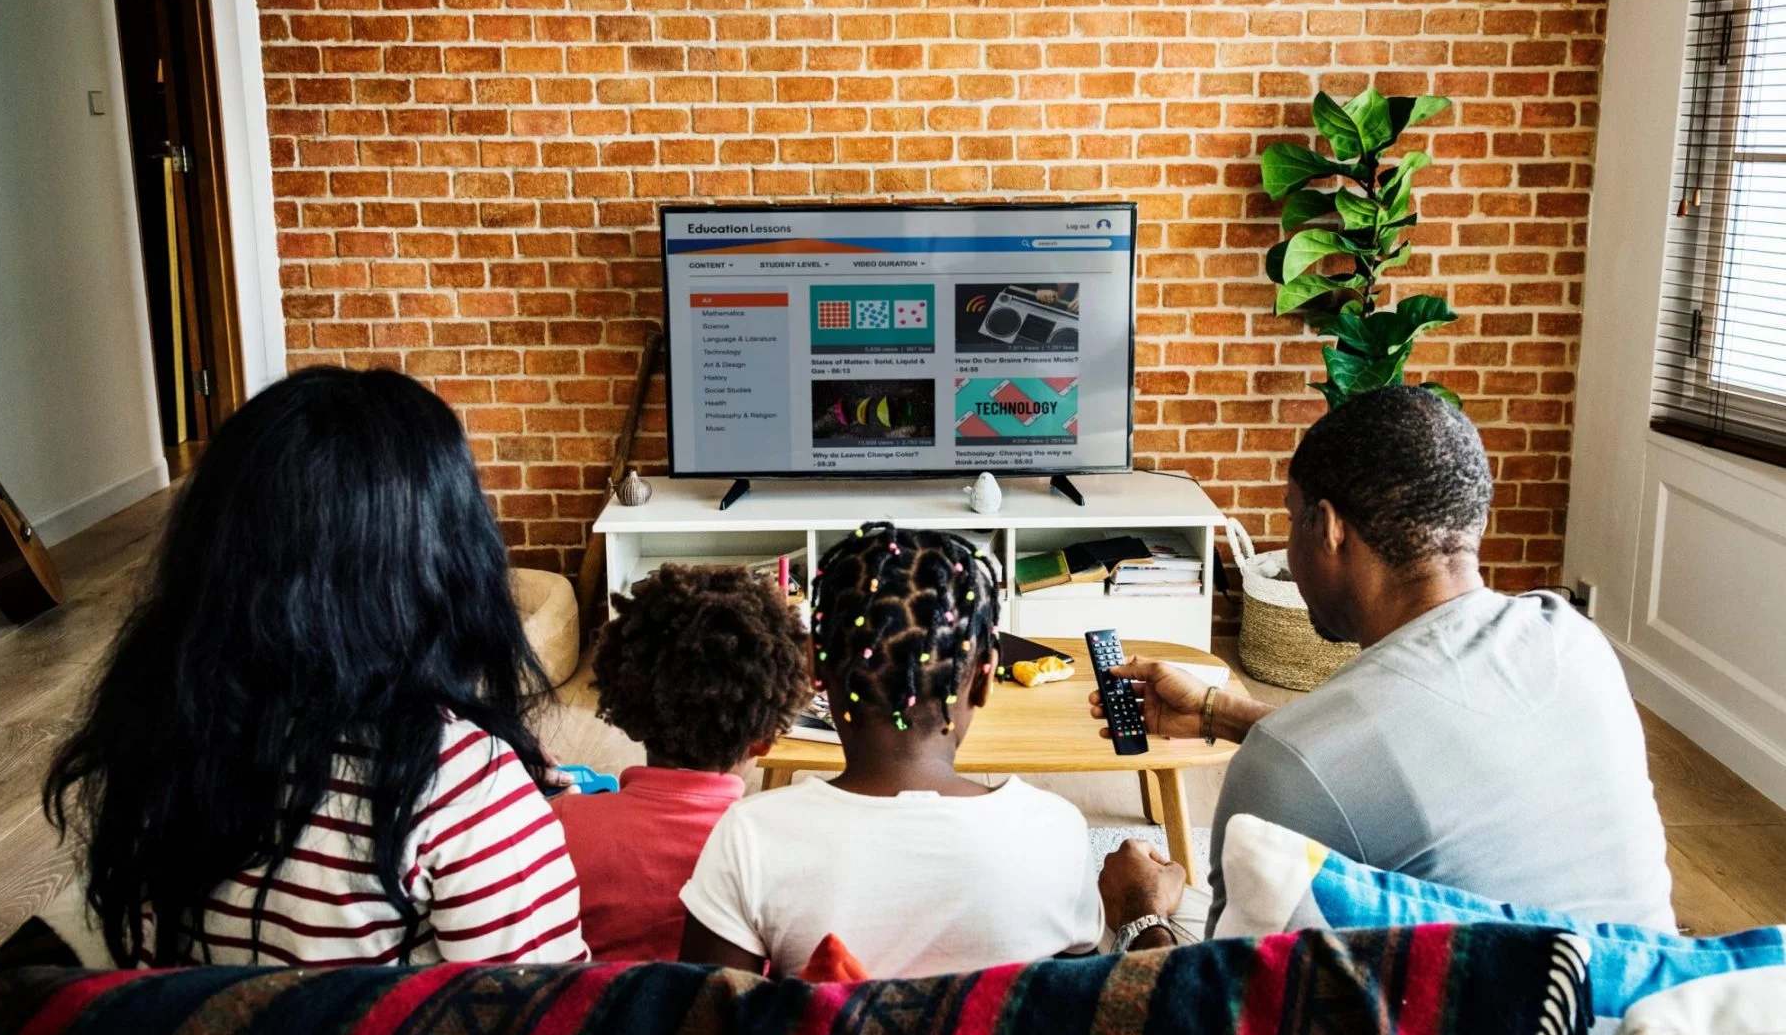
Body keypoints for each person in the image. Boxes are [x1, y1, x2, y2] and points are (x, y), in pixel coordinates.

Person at [1092, 385, 1674, 946]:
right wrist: (1220, 711)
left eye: (1294, 520)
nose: (1292, 550)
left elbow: (1226, 1023)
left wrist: (1138, 913)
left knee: (1124, 915)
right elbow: (1432, 754)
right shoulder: (1571, 637)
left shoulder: (1284, 774)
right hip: (1660, 1010)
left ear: (1331, 527)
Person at [44, 367, 588, 967]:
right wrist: (508, 821)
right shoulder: (467, 789)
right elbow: (547, 1030)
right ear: (449, 560)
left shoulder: (160, 737)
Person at [678, 524, 1103, 979]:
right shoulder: (1055, 831)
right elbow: (1080, 1007)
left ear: (814, 664)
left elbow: (705, 1026)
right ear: (984, 677)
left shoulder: (750, 837)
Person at [551, 564, 811, 961]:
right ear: (764, 740)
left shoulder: (560, 824)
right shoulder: (783, 849)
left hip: (596, 1014)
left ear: (629, 718)